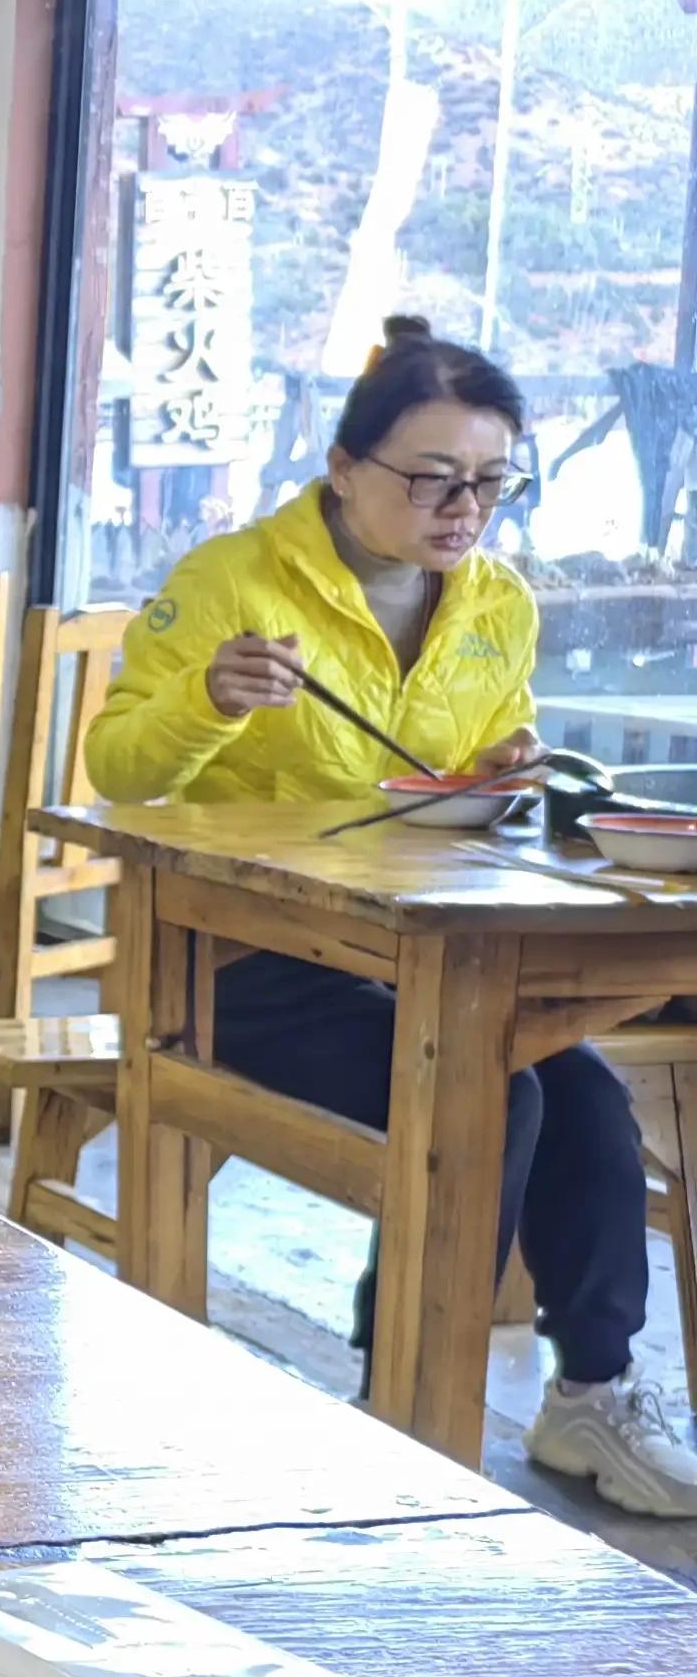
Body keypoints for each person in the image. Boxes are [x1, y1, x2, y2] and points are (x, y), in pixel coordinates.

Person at [87, 316, 697, 1518]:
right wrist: (209, 701)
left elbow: (479, 761)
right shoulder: (232, 581)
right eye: (431, 479)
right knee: (492, 1093)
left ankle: (593, 1392)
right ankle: (403, 1398)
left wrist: (509, 767)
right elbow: (118, 769)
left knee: (583, 1093)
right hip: (246, 957)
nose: (462, 509)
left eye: (491, 481)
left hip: (419, 949)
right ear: (344, 466)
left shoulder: (497, 601)